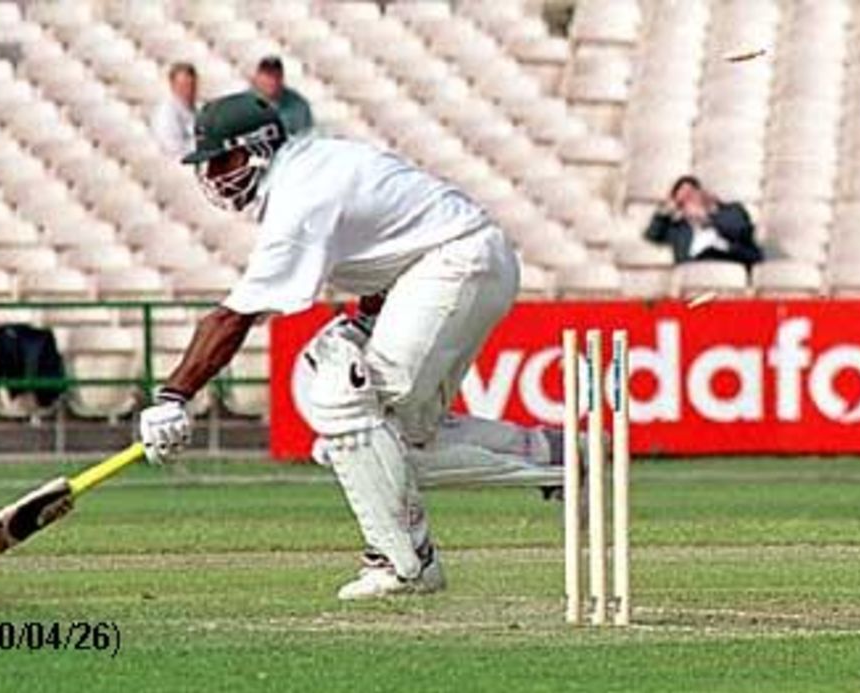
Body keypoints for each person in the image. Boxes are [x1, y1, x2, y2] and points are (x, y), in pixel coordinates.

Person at [138, 92, 565, 601]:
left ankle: (404, 561)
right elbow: (394, 238)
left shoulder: (300, 195)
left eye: (220, 160)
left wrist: (174, 396)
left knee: (345, 405)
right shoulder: (312, 164)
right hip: (458, 260)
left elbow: (235, 316)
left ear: (258, 147)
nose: (210, 176)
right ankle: (553, 454)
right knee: (390, 439)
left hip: (458, 262)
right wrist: (371, 315)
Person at [645, 175, 764, 271]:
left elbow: (741, 230)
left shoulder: (731, 210)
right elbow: (652, 235)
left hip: (732, 262)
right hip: (696, 272)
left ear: (701, 193)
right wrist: (665, 211)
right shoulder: (680, 229)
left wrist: (707, 219)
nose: (689, 201)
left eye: (691, 194)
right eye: (682, 201)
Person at [251, 56, 313, 136]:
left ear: (282, 78)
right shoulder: (243, 104)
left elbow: (307, 137)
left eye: (277, 76)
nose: (273, 81)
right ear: (257, 77)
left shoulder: (299, 105)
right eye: (268, 76)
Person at [149, 62, 198, 158]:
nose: (188, 90)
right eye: (183, 85)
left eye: (191, 85)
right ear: (172, 85)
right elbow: (173, 148)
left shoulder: (194, 109)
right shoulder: (166, 112)